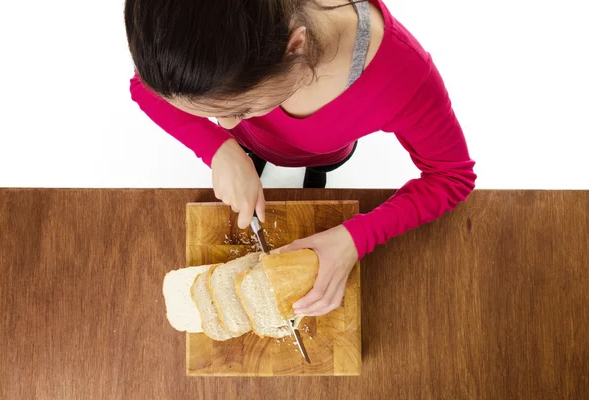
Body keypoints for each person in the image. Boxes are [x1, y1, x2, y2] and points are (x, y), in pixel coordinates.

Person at [124, 0, 476, 317]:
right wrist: (220, 149)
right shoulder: (204, 40)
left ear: (295, 47)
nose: (225, 124)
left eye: (242, 108)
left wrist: (358, 237)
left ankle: (315, 169)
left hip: (323, 151)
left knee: (320, 166)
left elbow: (452, 178)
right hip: (251, 147)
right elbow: (144, 87)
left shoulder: (402, 77)